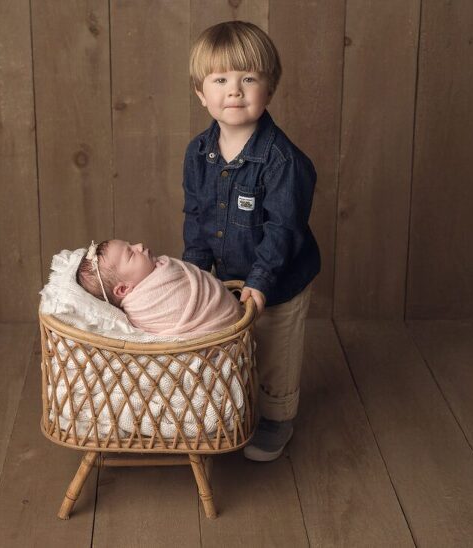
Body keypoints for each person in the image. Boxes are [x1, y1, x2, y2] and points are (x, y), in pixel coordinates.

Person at [183, 21, 321, 461]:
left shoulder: (284, 161)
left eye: (248, 78)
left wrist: (260, 285)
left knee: (274, 353)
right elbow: (196, 217)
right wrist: (195, 272)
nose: (234, 91)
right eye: (220, 80)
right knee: (230, 347)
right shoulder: (197, 153)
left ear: (269, 87)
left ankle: (277, 418)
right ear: (202, 94)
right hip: (228, 273)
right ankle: (230, 409)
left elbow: (283, 231)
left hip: (279, 278)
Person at [76, 239, 242, 338]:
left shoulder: (163, 268)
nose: (139, 246)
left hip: (226, 315)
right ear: (123, 289)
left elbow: (198, 282)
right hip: (216, 331)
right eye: (132, 253)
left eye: (131, 244)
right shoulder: (143, 306)